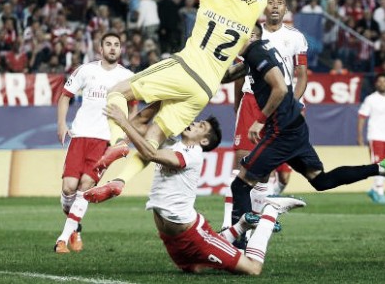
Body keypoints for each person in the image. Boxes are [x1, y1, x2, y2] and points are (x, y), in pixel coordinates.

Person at [84, 0, 275, 203]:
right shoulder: (249, 10)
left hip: (184, 68)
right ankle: (121, 180)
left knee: (117, 91)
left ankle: (118, 142)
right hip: (205, 89)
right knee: (155, 138)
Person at [222, 23, 385, 230]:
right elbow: (231, 74)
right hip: (295, 127)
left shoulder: (257, 52)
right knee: (321, 180)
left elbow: (280, 89)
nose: (232, 42)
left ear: (251, 37)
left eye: (237, 37)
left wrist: (260, 121)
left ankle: (236, 243)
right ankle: (382, 168)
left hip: (281, 130)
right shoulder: (258, 53)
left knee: (240, 183)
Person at [103, 102, 305, 275]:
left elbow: (149, 153)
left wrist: (123, 121)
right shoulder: (173, 141)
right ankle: (242, 225)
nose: (193, 123)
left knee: (252, 269)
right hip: (173, 238)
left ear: (205, 140)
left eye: (200, 125)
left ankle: (271, 211)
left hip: (193, 235)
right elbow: (147, 129)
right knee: (194, 268)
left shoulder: (193, 154)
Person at [222, 0, 308, 228]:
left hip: (280, 102)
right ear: (264, 7)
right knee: (241, 163)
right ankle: (229, 225)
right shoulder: (251, 31)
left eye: (280, 2)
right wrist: (237, 103)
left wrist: (294, 102)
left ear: (285, 9)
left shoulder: (296, 38)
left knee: (265, 168)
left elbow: (301, 76)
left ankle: (255, 223)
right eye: (271, 1)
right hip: (251, 99)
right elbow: (240, 72)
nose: (275, 6)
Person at [54, 31, 134, 253]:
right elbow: (65, 96)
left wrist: (128, 131)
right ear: (100, 48)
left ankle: (62, 239)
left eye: (116, 44)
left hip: (104, 141)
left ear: (120, 49)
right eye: (108, 44)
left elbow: (134, 105)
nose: (112, 48)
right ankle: (75, 229)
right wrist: (61, 124)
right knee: (69, 187)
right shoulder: (86, 70)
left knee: (86, 186)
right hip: (79, 135)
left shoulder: (127, 76)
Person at [357, 73, 385, 204]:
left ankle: (374, 189)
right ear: (376, 84)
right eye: (379, 81)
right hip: (375, 136)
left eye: (384, 81)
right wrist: (360, 136)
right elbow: (362, 117)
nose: (382, 83)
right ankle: (379, 191)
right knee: (379, 164)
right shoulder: (370, 99)